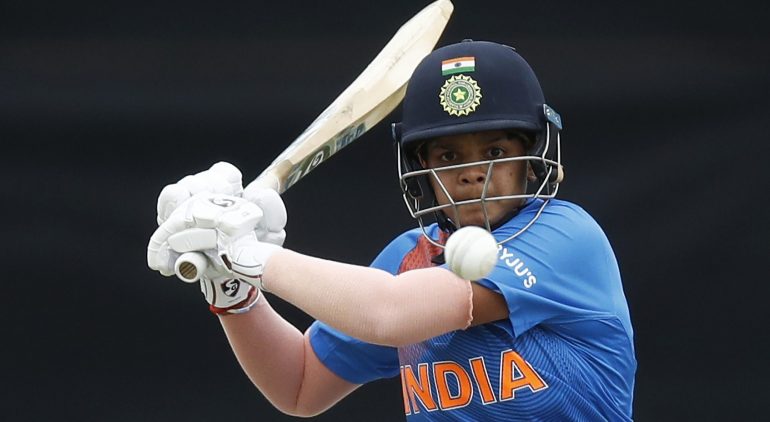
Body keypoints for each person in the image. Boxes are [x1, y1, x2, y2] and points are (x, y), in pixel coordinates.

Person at [147, 40, 636, 421]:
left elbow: (389, 313)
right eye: (449, 156)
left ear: (531, 159)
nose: (471, 173)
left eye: (494, 152)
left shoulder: (568, 236)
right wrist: (235, 294)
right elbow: (298, 385)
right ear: (421, 168)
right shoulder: (412, 257)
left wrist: (251, 254)